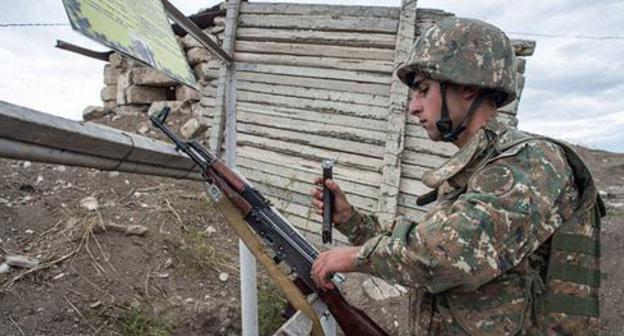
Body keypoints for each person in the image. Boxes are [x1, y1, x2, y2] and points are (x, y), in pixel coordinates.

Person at [310, 17, 604, 335]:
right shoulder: (482, 168)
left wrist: (356, 257)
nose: (414, 107)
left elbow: (445, 255)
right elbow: (422, 242)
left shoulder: (529, 163)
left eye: (423, 90)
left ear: (467, 87)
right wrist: (351, 220)